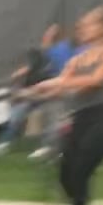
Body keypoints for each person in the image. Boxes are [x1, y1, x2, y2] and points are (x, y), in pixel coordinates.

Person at [23, 5, 103, 205]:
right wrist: (36, 92)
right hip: (81, 117)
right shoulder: (78, 58)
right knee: (65, 172)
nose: (81, 28)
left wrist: (57, 82)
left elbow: (97, 79)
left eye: (88, 24)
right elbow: (68, 88)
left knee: (81, 168)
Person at [0, 24, 67, 156]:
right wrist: (11, 78)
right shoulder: (36, 51)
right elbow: (28, 67)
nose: (49, 35)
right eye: (48, 32)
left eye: (53, 33)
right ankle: (3, 143)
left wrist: (55, 90)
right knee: (16, 117)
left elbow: (62, 74)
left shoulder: (61, 53)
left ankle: (47, 148)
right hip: (30, 91)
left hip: (50, 92)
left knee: (51, 120)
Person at [29, 23, 78, 161]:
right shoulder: (53, 50)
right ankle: (55, 149)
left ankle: (55, 150)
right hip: (59, 88)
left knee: (56, 121)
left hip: (64, 89)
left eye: (48, 33)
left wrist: (56, 90)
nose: (45, 36)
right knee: (54, 119)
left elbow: (65, 74)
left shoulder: (60, 50)